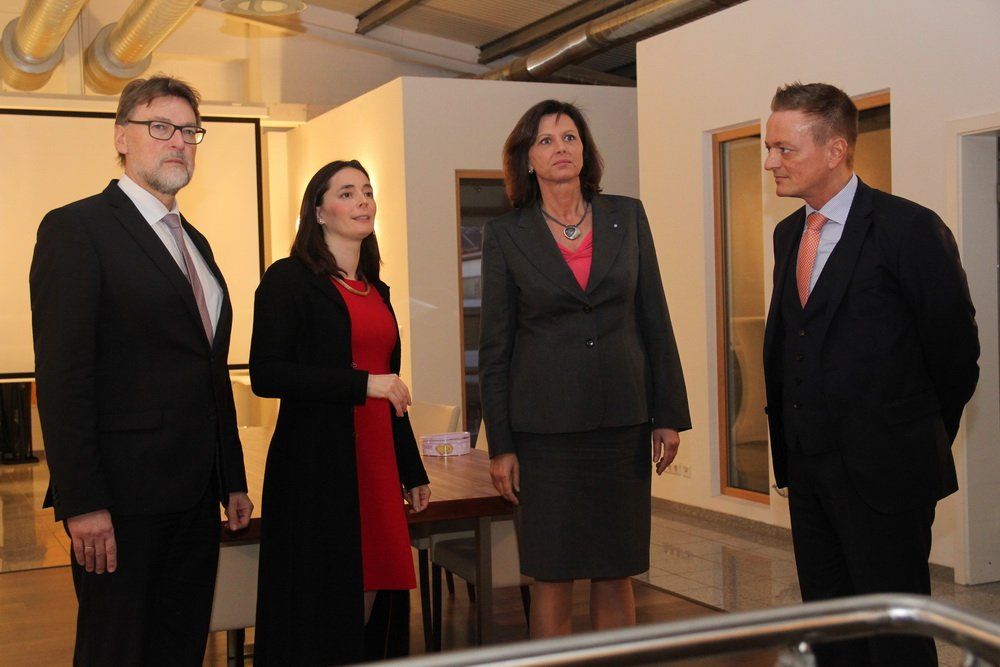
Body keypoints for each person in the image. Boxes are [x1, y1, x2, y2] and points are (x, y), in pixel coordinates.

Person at [29, 75, 253, 666]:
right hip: (121, 500)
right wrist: (82, 502)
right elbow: (63, 379)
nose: (178, 141)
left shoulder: (196, 243)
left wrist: (230, 476)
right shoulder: (77, 229)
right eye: (160, 127)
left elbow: (209, 370)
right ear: (121, 137)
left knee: (179, 650)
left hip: (194, 495)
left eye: (190, 131)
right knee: (116, 652)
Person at [762, 82, 980, 666]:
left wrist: (912, 438)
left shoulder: (909, 229)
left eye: (785, 149)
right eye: (769, 148)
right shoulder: (789, 234)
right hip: (809, 472)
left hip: (888, 475)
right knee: (829, 628)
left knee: (895, 636)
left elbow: (955, 355)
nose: (771, 162)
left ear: (835, 150)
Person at [479, 99, 691, 638]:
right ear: (527, 160)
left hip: (622, 425)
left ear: (585, 150)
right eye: (546, 140)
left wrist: (668, 413)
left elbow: (655, 317)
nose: (560, 148)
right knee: (552, 576)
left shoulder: (627, 215)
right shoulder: (506, 234)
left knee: (616, 571)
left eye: (570, 137)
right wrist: (500, 444)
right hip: (544, 435)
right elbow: (495, 347)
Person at [250, 159, 431, 664]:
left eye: (367, 192)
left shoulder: (377, 289)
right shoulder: (288, 279)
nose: (362, 201)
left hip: (379, 460)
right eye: (346, 193)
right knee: (326, 596)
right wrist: (361, 383)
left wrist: (412, 469)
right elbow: (267, 373)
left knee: (380, 582)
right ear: (318, 211)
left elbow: (392, 390)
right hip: (318, 464)